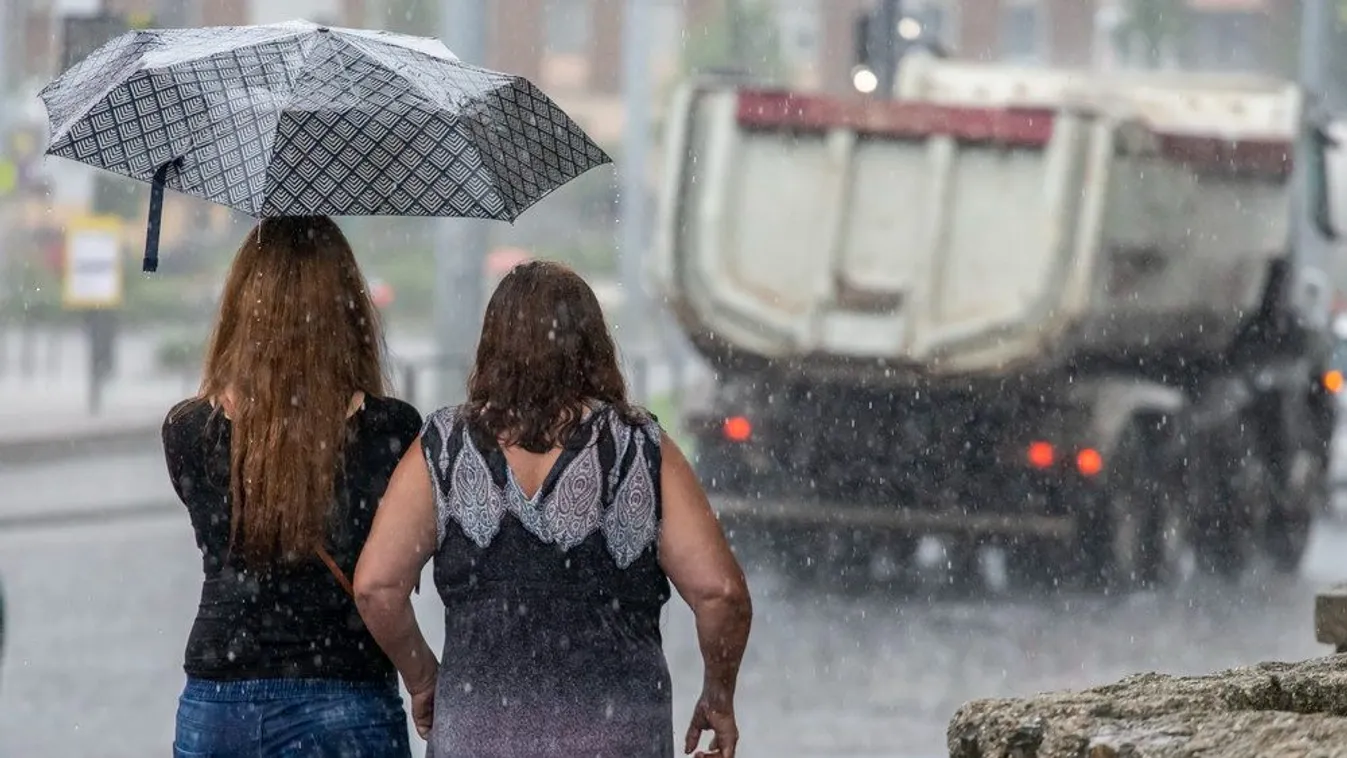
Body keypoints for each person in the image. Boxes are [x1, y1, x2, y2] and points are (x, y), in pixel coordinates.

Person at [354, 261, 753, 758]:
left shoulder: (443, 447)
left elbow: (376, 586)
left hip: (478, 738)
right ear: (593, 347)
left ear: (492, 347)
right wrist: (718, 695)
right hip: (614, 740)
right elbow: (721, 593)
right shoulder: (642, 447)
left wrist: (423, 677)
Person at [161, 216, 422, 758]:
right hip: (346, 698)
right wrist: (424, 676)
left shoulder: (188, 431)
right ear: (348, 312)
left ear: (240, 307)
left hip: (221, 699)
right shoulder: (392, 430)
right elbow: (392, 572)